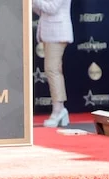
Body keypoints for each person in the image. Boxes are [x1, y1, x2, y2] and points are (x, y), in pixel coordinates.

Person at [32, 0, 73, 128]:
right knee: (54, 70)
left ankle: (58, 110)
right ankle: (60, 109)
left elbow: (52, 8)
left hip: (58, 33)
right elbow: (42, 11)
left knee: (52, 70)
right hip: (49, 33)